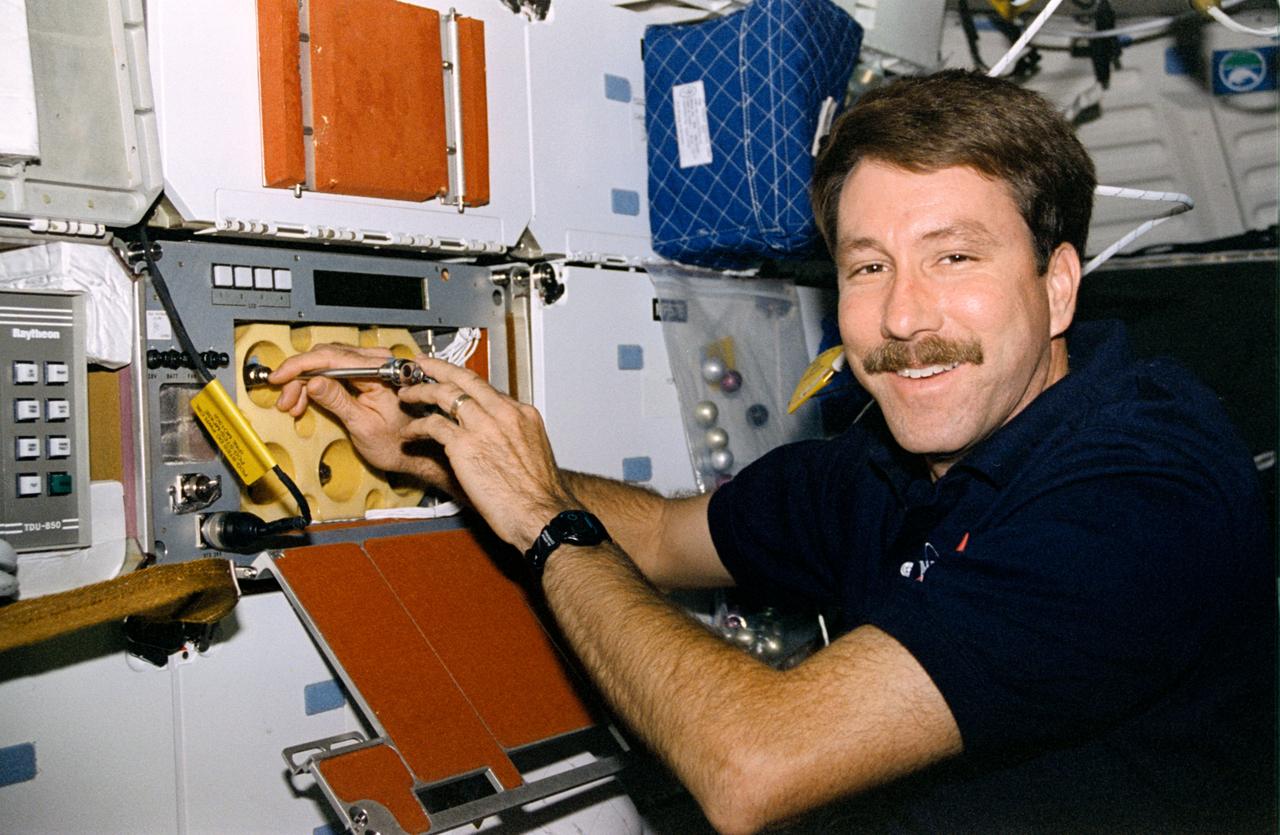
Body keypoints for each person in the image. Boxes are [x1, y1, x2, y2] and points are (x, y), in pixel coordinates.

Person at [270, 70, 1275, 833]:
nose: (904, 316)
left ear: (1056, 287)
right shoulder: (880, 460)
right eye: (867, 266)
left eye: (954, 258)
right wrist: (441, 451)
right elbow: (666, 537)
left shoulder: (1140, 491)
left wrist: (544, 521)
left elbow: (751, 768)